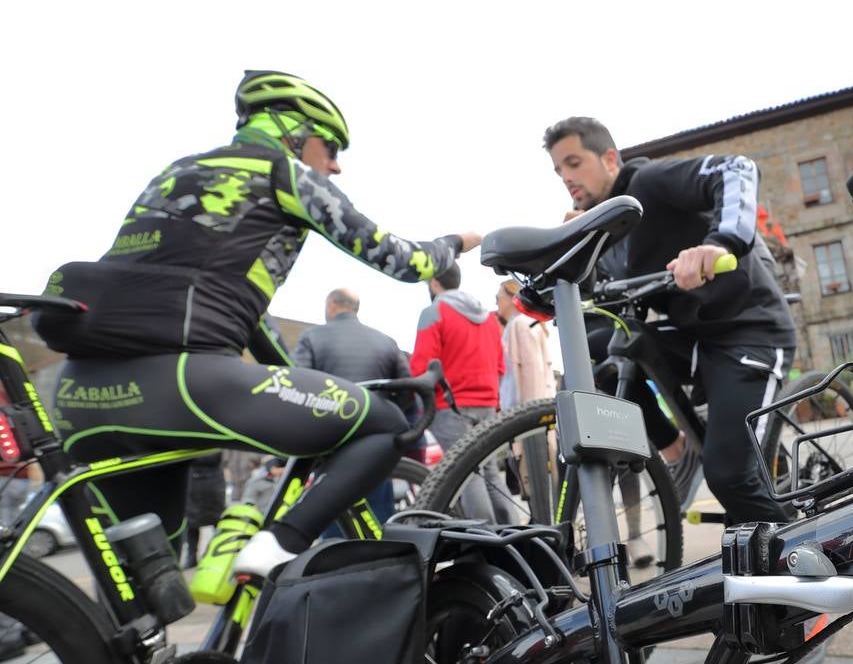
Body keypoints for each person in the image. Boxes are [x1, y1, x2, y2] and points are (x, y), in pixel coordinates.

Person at [33, 70, 479, 580]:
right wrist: (458, 241)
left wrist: (300, 385)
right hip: (181, 384)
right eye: (330, 147)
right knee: (385, 424)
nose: (333, 165)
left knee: (148, 590)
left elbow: (247, 321)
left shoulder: (176, 172)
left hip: (80, 395)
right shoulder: (282, 172)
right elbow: (406, 262)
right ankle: (277, 547)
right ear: (292, 130)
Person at [544, 117, 797, 527]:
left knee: (730, 477)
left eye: (574, 163)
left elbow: (737, 169)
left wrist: (719, 244)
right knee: (600, 344)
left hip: (750, 333)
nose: (566, 178)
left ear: (609, 158)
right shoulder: (604, 229)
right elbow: (605, 300)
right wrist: (573, 253)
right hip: (692, 339)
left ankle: (802, 560)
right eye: (559, 170)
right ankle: (677, 451)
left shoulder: (649, 182)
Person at [294, 286, 413, 524]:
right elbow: (408, 391)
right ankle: (386, 558)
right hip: (377, 440)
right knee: (379, 516)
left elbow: (298, 386)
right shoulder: (386, 341)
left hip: (330, 439)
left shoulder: (312, 337)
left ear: (331, 305)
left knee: (332, 514)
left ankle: (335, 555)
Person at [410, 261, 507, 522]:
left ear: (433, 282)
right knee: (489, 472)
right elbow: (500, 364)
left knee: (466, 474)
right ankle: (514, 534)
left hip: (451, 407)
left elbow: (422, 366)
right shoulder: (488, 318)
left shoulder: (434, 312)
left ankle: (485, 541)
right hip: (487, 404)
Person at [497, 278, 556, 408]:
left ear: (512, 297)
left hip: (526, 410)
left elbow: (532, 369)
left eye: (498, 297)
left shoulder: (522, 323)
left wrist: (530, 411)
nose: (497, 303)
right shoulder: (523, 323)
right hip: (523, 408)